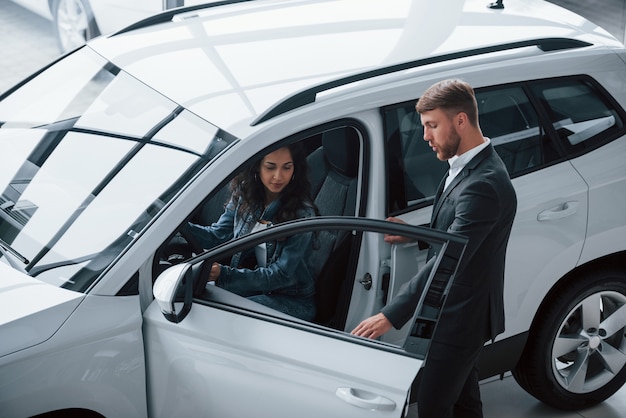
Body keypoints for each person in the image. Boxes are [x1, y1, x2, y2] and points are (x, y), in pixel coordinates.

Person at [352, 79, 517, 418]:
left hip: (461, 317)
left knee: (433, 406)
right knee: (464, 401)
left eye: (431, 125)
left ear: (460, 120)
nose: (425, 136)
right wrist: (417, 234)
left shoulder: (483, 184)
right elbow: (463, 230)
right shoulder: (465, 165)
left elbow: (450, 257)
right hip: (461, 311)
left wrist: (390, 315)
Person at [185, 144, 319, 321]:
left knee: (217, 317)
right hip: (255, 285)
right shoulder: (245, 194)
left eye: (287, 167)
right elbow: (218, 237)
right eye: (270, 167)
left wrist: (224, 274)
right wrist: (177, 228)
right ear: (257, 166)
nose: (278, 176)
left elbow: (281, 275)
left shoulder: (303, 213)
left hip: (290, 299)